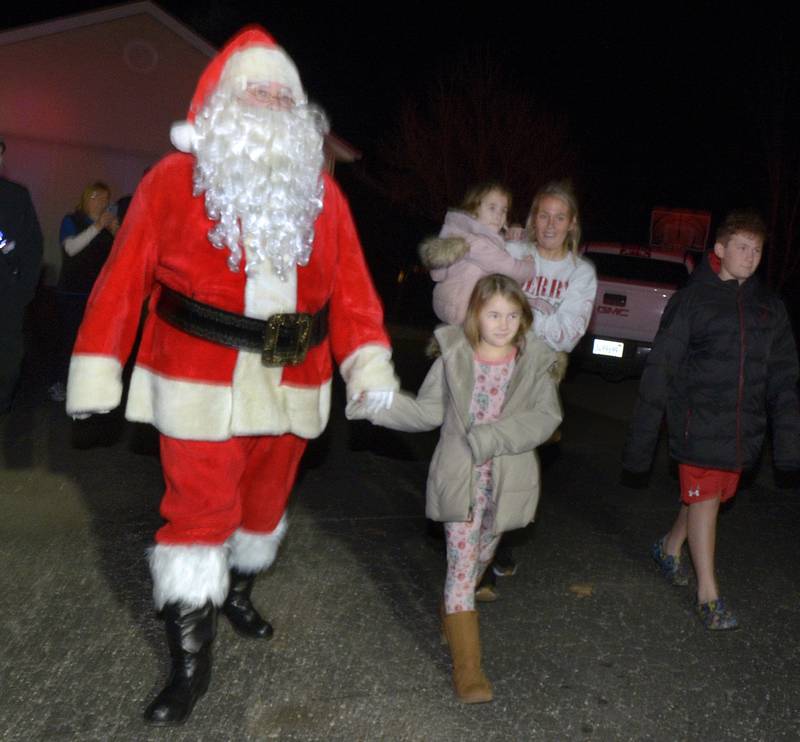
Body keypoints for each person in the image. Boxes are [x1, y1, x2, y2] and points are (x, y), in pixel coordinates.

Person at [65, 26, 398, 725]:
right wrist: (97, 376)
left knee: (264, 507)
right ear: (220, 104)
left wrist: (367, 369)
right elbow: (122, 283)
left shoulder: (323, 198)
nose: (273, 102)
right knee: (197, 514)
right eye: (258, 90)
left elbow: (355, 291)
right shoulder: (169, 182)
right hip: (198, 383)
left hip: (295, 384)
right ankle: (190, 666)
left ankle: (241, 589)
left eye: (285, 94)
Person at [348, 274, 561, 703]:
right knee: (461, 571)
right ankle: (468, 671)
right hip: (459, 478)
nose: (502, 324)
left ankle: (452, 613)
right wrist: (379, 405)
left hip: (507, 484)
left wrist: (491, 437)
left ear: (523, 319)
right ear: (475, 315)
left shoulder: (532, 362)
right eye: (493, 314)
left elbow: (545, 420)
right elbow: (427, 412)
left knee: (481, 558)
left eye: (512, 315)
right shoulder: (453, 357)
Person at [622, 210, 800, 630]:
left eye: (757, 249)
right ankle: (708, 594)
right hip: (696, 423)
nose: (751, 256)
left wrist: (789, 442)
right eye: (742, 247)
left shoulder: (769, 309)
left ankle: (669, 547)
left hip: (741, 430)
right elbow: (662, 367)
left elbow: (784, 376)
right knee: (705, 501)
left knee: (709, 497)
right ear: (719, 250)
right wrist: (641, 442)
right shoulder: (692, 300)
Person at [481, 180, 597, 592]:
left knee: (516, 466)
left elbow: (566, 335)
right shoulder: (514, 254)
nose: (549, 224)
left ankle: (502, 541)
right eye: (542, 215)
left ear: (572, 224)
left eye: (558, 217)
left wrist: (516, 313)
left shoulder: (580, 274)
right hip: (491, 370)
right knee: (481, 459)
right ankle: (475, 547)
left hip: (536, 378)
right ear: (532, 219)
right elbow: (480, 298)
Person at [419, 182, 536, 326]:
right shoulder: (477, 243)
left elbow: (437, 274)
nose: (498, 215)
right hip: (466, 310)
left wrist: (517, 233)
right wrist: (530, 266)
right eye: (492, 208)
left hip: (447, 304)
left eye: (503, 210)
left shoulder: (460, 235)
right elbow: (511, 269)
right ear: (474, 210)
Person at [49, 181, 119, 401]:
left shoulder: (107, 228)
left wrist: (116, 230)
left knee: (92, 343)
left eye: (107, 199)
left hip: (98, 295)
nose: (103, 203)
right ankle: (59, 382)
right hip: (72, 293)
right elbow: (71, 248)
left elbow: (123, 254)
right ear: (88, 198)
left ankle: (83, 385)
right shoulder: (72, 220)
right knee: (68, 340)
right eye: (99, 197)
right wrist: (97, 227)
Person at [0, 136, 43, 413]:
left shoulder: (16, 196)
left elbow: (32, 246)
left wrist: (22, 292)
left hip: (6, 298)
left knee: (7, 365)